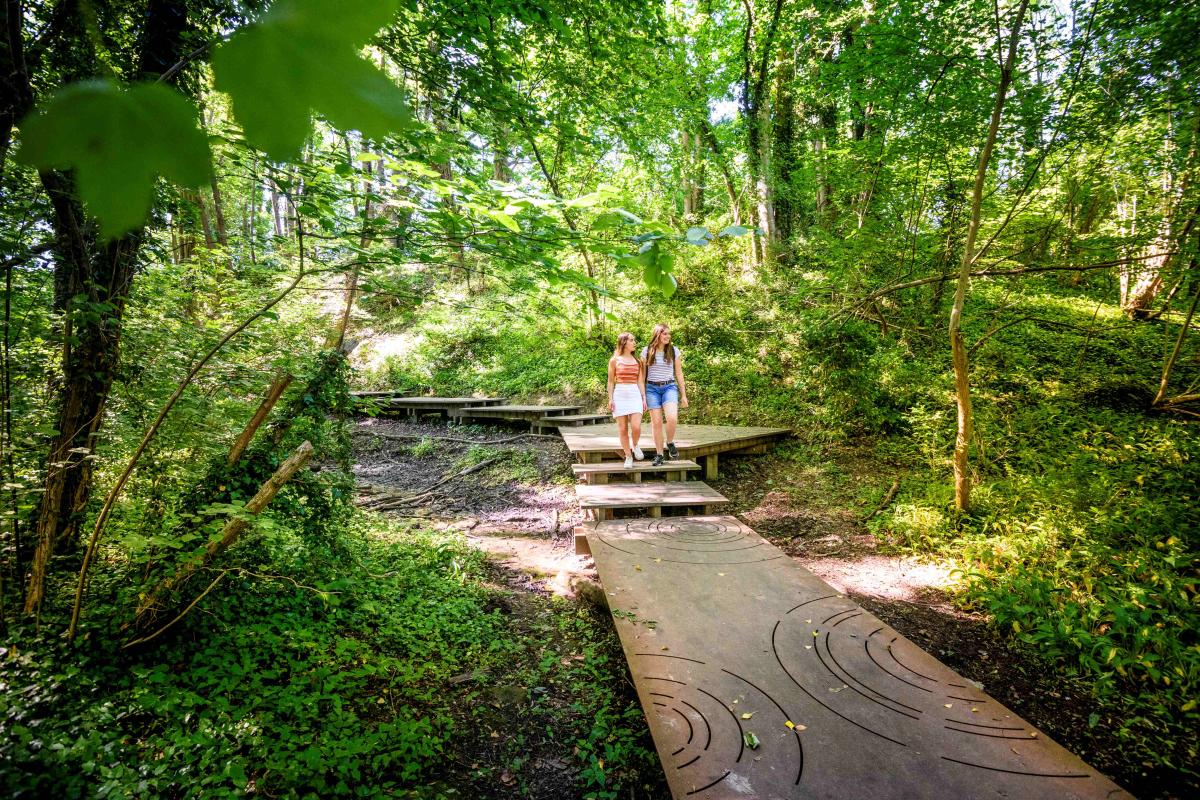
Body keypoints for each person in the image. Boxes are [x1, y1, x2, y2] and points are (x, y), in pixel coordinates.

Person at [641, 323, 688, 466]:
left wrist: (684, 395)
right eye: (665, 333)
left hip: (669, 387)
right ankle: (660, 454)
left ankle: (670, 441)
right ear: (657, 335)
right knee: (656, 423)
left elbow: (679, 373)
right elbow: (642, 376)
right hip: (651, 389)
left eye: (669, 334)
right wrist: (642, 395)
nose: (668, 336)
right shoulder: (646, 351)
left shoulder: (674, 350)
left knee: (672, 417)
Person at [607, 332, 646, 469]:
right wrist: (610, 399)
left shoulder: (638, 361)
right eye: (631, 340)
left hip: (635, 394)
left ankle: (635, 445)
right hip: (620, 394)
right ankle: (628, 456)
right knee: (623, 428)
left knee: (636, 426)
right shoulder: (614, 360)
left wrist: (644, 398)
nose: (634, 342)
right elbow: (611, 382)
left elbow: (640, 381)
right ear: (624, 342)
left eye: (634, 340)